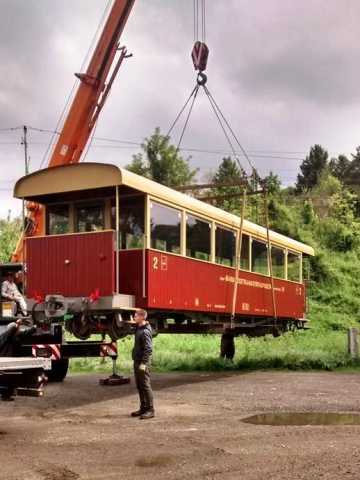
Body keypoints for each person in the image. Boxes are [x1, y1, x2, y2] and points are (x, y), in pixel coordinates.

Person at [131, 309, 155, 419]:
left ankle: (150, 410)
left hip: (142, 363)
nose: (134, 317)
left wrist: (144, 363)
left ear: (142, 317)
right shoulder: (139, 328)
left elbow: (149, 349)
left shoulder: (145, 331)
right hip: (137, 361)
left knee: (145, 385)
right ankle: (143, 408)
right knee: (139, 386)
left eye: (135, 316)